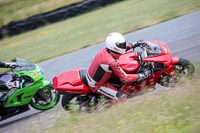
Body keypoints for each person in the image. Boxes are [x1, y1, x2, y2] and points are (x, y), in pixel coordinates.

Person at [86, 32, 151, 105]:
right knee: (122, 97)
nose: (123, 46)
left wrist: (135, 44)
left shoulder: (109, 49)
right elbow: (125, 78)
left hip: (97, 74)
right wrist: (142, 75)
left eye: (123, 44)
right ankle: (103, 106)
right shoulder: (110, 61)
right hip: (97, 85)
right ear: (113, 46)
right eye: (121, 45)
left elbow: (121, 49)